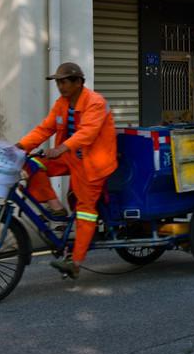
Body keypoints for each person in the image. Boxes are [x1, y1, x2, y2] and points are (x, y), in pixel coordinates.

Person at [17, 62, 118, 280]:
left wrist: (61, 148)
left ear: (78, 82)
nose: (60, 86)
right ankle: (55, 206)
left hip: (93, 163)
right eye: (58, 82)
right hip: (70, 157)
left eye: (64, 82)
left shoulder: (95, 102)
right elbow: (45, 129)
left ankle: (75, 262)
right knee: (31, 163)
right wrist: (20, 147)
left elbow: (87, 133)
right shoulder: (62, 104)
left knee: (85, 210)